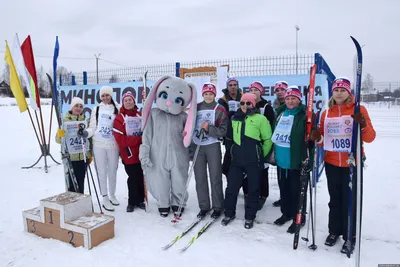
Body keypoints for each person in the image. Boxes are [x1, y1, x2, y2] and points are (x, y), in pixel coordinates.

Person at [310, 77, 376, 253]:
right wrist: (318, 137)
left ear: (349, 92)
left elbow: (370, 137)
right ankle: (334, 231)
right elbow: (324, 141)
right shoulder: (327, 113)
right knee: (335, 199)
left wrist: (362, 124)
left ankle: (350, 235)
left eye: (342, 90)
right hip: (332, 163)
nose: (339, 93)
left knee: (350, 199)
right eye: (336, 90)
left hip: (352, 163)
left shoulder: (358, 108)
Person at [222, 93, 272, 229]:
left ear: (253, 104)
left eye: (248, 103)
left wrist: (261, 154)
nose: (245, 106)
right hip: (237, 160)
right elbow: (229, 139)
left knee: (253, 189)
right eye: (242, 103)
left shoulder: (260, 119)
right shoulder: (234, 118)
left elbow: (268, 140)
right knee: (232, 188)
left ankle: (250, 216)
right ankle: (229, 213)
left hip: (253, 160)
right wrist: (232, 151)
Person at [272, 86, 312, 234]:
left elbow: (311, 140)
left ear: (299, 99)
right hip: (282, 160)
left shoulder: (304, 115)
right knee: (285, 189)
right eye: (288, 98)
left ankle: (298, 218)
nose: (290, 101)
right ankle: (286, 213)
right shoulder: (281, 113)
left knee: (297, 191)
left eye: (293, 98)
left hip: (296, 160)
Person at [192, 83, 228, 220]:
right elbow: (189, 123)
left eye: (211, 94)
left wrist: (209, 129)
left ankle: (218, 206)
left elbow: (224, 130)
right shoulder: (196, 108)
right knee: (200, 177)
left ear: (214, 95)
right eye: (206, 93)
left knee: (215, 176)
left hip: (212, 145)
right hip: (198, 145)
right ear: (203, 95)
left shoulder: (219, 109)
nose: (208, 96)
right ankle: (204, 206)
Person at [84, 85, 120, 212]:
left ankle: (112, 195)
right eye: (103, 96)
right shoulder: (97, 109)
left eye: (107, 95)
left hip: (113, 144)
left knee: (112, 170)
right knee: (101, 171)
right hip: (99, 143)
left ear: (111, 95)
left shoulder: (118, 108)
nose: (105, 98)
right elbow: (93, 127)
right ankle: (104, 197)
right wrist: (86, 133)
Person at [244, 81, 275, 210]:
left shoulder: (266, 106)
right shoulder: (247, 104)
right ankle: (247, 194)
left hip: (262, 144)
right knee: (247, 171)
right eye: (251, 90)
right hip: (248, 145)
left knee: (262, 171)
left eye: (256, 90)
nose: (253, 92)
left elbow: (270, 125)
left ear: (261, 92)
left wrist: (266, 144)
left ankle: (263, 196)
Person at [113, 92, 146, 212]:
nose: (128, 102)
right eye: (126, 100)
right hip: (129, 153)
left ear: (134, 101)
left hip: (142, 152)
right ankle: (132, 201)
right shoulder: (119, 118)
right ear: (123, 103)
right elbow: (121, 140)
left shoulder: (140, 115)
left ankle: (141, 200)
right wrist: (138, 139)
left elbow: (147, 131)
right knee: (132, 177)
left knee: (141, 176)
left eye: (130, 100)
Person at [56, 97, 91, 193]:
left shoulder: (85, 120)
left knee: (81, 180)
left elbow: (90, 138)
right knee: (71, 182)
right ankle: (72, 202)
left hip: (83, 156)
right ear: (72, 107)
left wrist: (90, 154)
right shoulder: (65, 120)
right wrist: (60, 133)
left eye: (81, 106)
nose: (78, 108)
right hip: (70, 157)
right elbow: (58, 140)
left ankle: (80, 201)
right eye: (76, 105)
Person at [217, 77, 244, 177]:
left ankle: (243, 183)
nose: (233, 87)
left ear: (237, 86)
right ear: (227, 87)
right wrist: (228, 114)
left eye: (235, 85)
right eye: (230, 85)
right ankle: (230, 178)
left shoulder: (243, 97)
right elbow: (220, 116)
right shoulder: (222, 100)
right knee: (229, 153)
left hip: (243, 131)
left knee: (242, 155)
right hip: (229, 132)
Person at [272, 80, 288, 207]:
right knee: (280, 173)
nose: (280, 92)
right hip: (279, 143)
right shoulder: (275, 106)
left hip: (290, 144)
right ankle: (283, 197)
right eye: (277, 90)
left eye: (282, 89)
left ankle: (291, 201)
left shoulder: (293, 103)